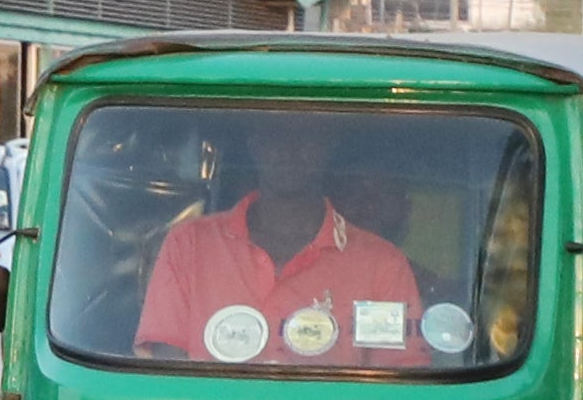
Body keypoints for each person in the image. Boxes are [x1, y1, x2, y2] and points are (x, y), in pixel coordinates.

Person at [130, 109, 429, 366]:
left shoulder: (382, 265)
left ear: (328, 146)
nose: (289, 149)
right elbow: (165, 365)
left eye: (306, 136)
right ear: (254, 145)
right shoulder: (190, 244)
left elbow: (397, 384)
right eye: (274, 135)